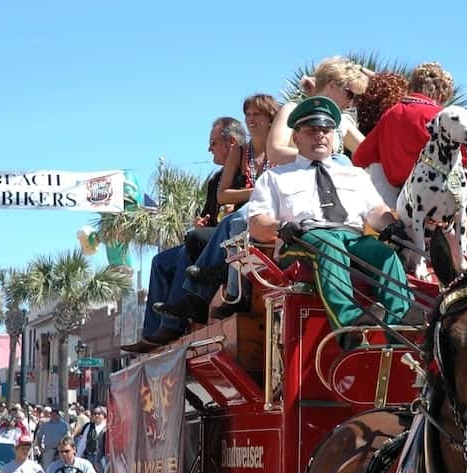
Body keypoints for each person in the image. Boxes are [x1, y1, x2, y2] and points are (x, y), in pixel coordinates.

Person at [247, 96, 413, 350]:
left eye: (326, 130)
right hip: (302, 239)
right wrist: (280, 227)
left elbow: (375, 211)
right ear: (296, 138)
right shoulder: (275, 177)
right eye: (312, 130)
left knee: (384, 255)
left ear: (334, 137)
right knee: (329, 243)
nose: (320, 136)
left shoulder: (355, 175)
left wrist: (390, 225)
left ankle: (403, 328)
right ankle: (349, 328)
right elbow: (257, 223)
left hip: (352, 238)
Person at [120, 116, 248, 353]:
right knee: (160, 261)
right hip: (210, 241)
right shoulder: (217, 180)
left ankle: (174, 322)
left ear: (230, 142)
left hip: (235, 241)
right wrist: (200, 222)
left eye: (213, 142)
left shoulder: (249, 170)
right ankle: (152, 333)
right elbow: (208, 215)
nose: (209, 148)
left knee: (191, 243)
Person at [158, 94, 281, 323]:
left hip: (268, 211)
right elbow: (223, 196)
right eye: (248, 115)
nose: (251, 119)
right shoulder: (241, 152)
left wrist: (257, 192)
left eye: (257, 114)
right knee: (196, 237)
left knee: (231, 223)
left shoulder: (280, 147)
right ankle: (176, 317)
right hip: (249, 211)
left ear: (271, 118)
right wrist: (259, 189)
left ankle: (221, 290)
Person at [353, 62, 463, 205]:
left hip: (400, 196)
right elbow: (465, 160)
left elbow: (360, 157)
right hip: (437, 197)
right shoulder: (438, 116)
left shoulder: (391, 114)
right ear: (440, 93)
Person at [267, 57, 369, 166]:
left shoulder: (343, 122)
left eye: (356, 99)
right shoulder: (292, 109)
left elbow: (371, 152)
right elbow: (274, 152)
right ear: (332, 85)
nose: (351, 103)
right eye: (350, 95)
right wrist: (324, 159)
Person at [76, 405, 107, 473]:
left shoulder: (107, 428)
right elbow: (83, 442)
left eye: (99, 414)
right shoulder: (89, 427)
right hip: (89, 457)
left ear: (104, 415)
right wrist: (78, 456)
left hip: (102, 458)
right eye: (95, 413)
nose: (96, 415)